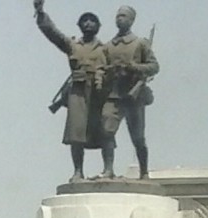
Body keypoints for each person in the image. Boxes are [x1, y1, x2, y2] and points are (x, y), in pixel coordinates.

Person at [34, 0, 107, 182]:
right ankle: (78, 171)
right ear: (79, 25)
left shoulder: (105, 49)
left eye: (92, 20)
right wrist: (40, 12)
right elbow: (53, 33)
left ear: (98, 26)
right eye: (84, 20)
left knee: (104, 131)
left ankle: (108, 169)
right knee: (76, 134)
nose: (88, 23)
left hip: (98, 92)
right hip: (77, 92)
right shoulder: (73, 45)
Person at [100, 5, 159, 179]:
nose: (120, 19)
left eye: (124, 16)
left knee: (138, 137)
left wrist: (135, 67)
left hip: (134, 95)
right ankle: (108, 169)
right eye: (118, 16)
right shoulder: (108, 46)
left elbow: (154, 66)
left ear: (132, 20)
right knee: (106, 131)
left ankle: (144, 172)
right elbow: (101, 68)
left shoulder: (140, 43)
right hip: (113, 95)